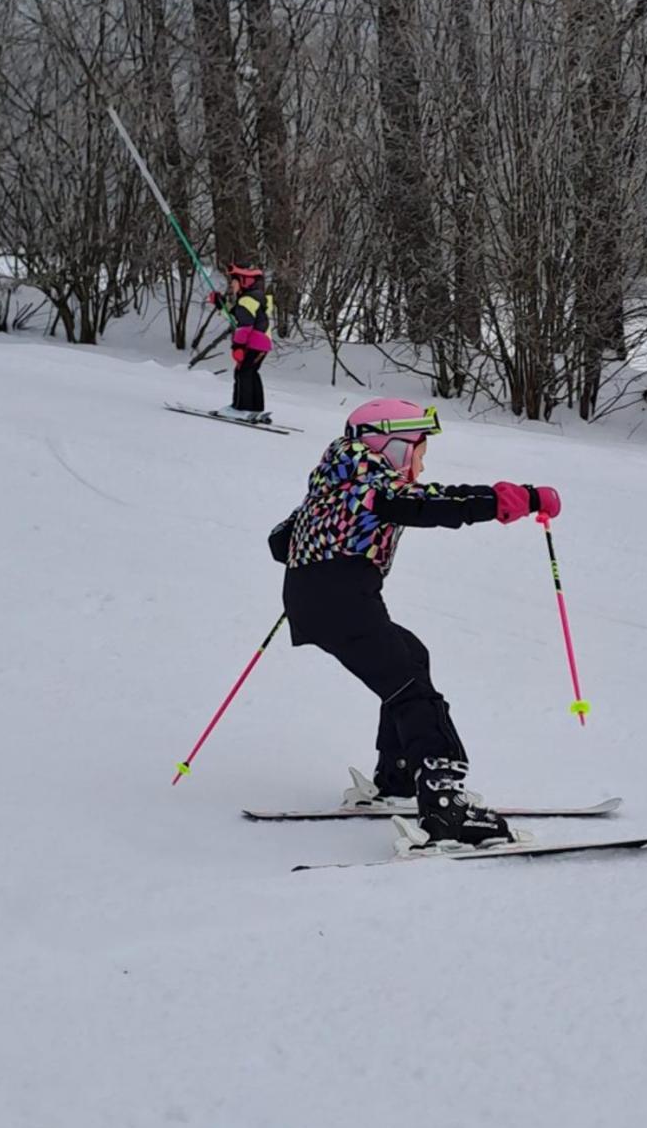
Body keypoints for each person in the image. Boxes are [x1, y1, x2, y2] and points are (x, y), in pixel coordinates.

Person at [268, 398, 561, 848]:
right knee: (411, 690)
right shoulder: (374, 484)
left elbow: (278, 541)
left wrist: (314, 546)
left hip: (323, 599)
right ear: (392, 446)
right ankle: (446, 807)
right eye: (419, 454)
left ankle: (399, 776)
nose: (421, 466)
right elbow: (432, 504)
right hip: (342, 599)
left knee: (409, 659)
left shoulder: (336, 479)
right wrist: (513, 499)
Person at [207, 263, 273, 421]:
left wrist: (238, 346)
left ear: (245, 282)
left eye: (234, 282)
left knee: (242, 372)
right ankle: (255, 408)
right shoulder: (254, 297)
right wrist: (220, 304)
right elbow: (236, 316)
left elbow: (244, 326)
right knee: (250, 372)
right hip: (262, 343)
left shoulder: (247, 300)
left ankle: (241, 407)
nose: (232, 285)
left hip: (254, 343)